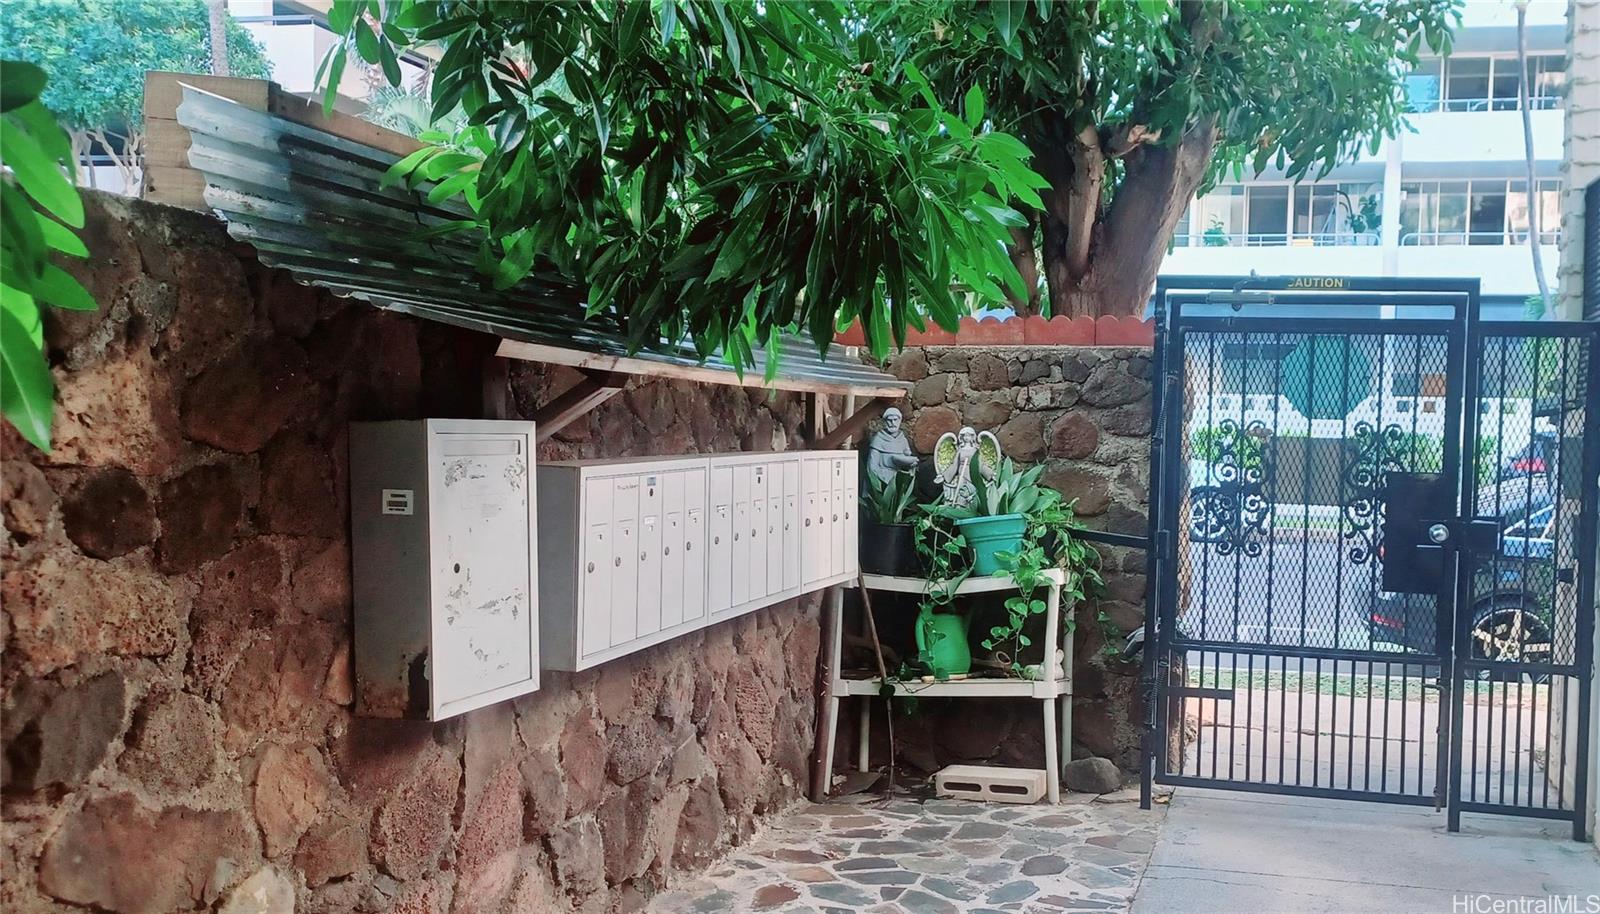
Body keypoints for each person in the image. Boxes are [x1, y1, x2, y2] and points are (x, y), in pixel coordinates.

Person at [865, 407, 919, 484]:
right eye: (890, 420)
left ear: (899, 421)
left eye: (895, 420)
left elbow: (907, 458)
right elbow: (872, 467)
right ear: (885, 422)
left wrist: (911, 464)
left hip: (899, 480)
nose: (893, 423)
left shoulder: (903, 440)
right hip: (883, 479)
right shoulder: (878, 439)